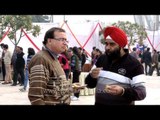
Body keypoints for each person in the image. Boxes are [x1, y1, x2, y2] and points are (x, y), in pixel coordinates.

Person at [85, 26, 146, 105]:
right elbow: (89, 84)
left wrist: (123, 91)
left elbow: (141, 92)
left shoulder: (135, 64)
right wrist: (92, 76)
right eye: (106, 44)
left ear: (121, 45)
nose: (107, 47)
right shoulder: (101, 59)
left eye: (112, 44)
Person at [28, 27, 80, 105]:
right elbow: (35, 96)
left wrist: (69, 89)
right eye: (62, 40)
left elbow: (53, 87)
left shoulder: (53, 58)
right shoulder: (41, 59)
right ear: (49, 41)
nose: (65, 43)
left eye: (66, 40)